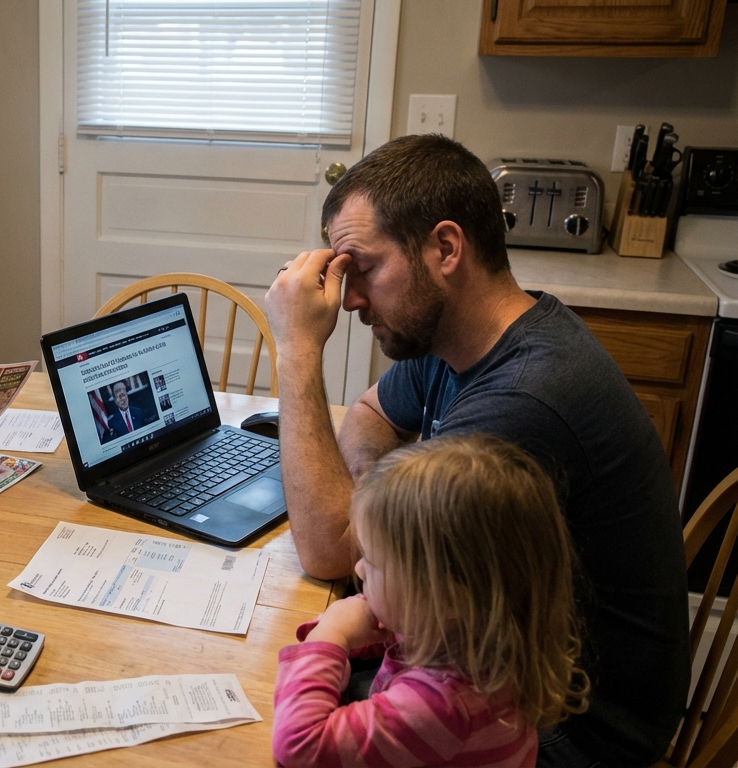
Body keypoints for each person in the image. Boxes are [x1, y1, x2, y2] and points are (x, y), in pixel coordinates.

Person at [263, 133, 688, 766]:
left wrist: (297, 350)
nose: (348, 299)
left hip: (567, 729)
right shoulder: (470, 338)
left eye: (364, 269)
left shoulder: (522, 403)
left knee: (265, 716)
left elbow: (329, 552)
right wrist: (387, 507)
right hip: (485, 669)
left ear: (445, 248)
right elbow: (369, 415)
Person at [273, 435, 589, 767]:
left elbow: (299, 746)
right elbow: (403, 635)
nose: (358, 568)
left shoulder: (442, 705)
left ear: (446, 596)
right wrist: (349, 631)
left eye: (374, 562)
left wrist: (330, 637)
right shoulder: (481, 636)